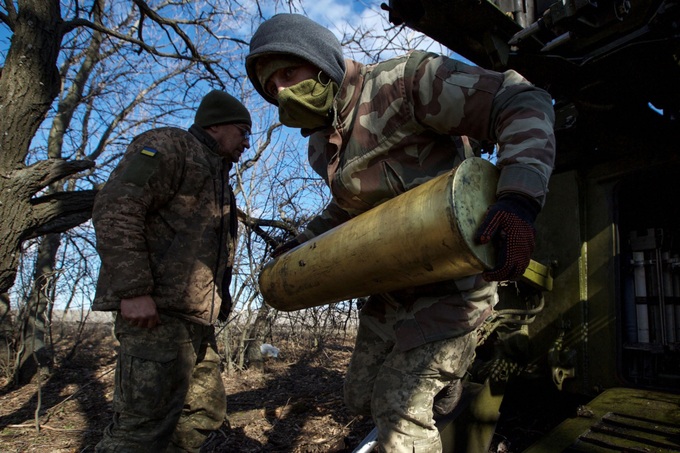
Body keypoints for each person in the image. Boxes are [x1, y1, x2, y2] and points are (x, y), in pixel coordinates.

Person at [245, 13, 555, 453]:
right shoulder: (321, 146)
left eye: (288, 74)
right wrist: (304, 241)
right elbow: (351, 211)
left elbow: (521, 99)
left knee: (398, 412)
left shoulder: (402, 82)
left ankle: (441, 379)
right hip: (391, 291)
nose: (281, 91)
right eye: (270, 86)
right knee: (359, 397)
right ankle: (449, 387)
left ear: (320, 62)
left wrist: (519, 198)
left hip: (453, 283)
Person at [91, 90, 251, 452]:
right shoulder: (168, 146)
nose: (246, 142)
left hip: (195, 322)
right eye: (242, 131)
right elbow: (116, 206)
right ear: (214, 126)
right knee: (141, 430)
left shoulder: (218, 177)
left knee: (202, 415)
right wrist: (133, 290)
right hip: (156, 317)